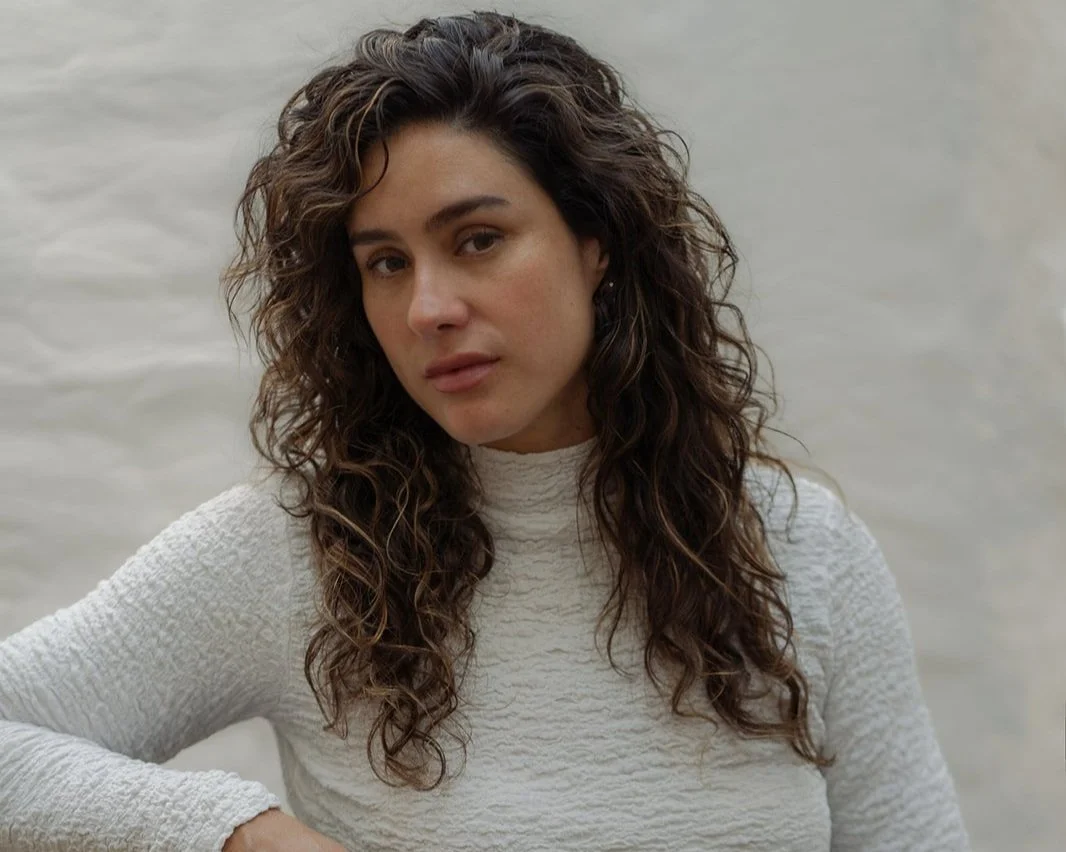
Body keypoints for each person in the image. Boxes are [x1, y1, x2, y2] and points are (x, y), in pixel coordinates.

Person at [0, 10, 970, 852]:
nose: (428, 307)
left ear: (595, 244)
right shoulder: (301, 555)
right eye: (386, 263)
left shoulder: (801, 550)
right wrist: (236, 832)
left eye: (477, 240)